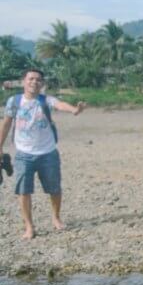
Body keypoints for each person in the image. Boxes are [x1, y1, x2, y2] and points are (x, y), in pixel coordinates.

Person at [0, 68, 85, 239]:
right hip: (23, 153)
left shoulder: (46, 100)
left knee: (54, 188)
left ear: (42, 84)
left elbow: (60, 104)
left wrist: (74, 110)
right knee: (23, 191)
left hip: (48, 153)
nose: (34, 82)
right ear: (23, 81)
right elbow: (6, 124)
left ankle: (56, 218)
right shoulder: (14, 101)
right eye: (31, 79)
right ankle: (29, 226)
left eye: (38, 80)